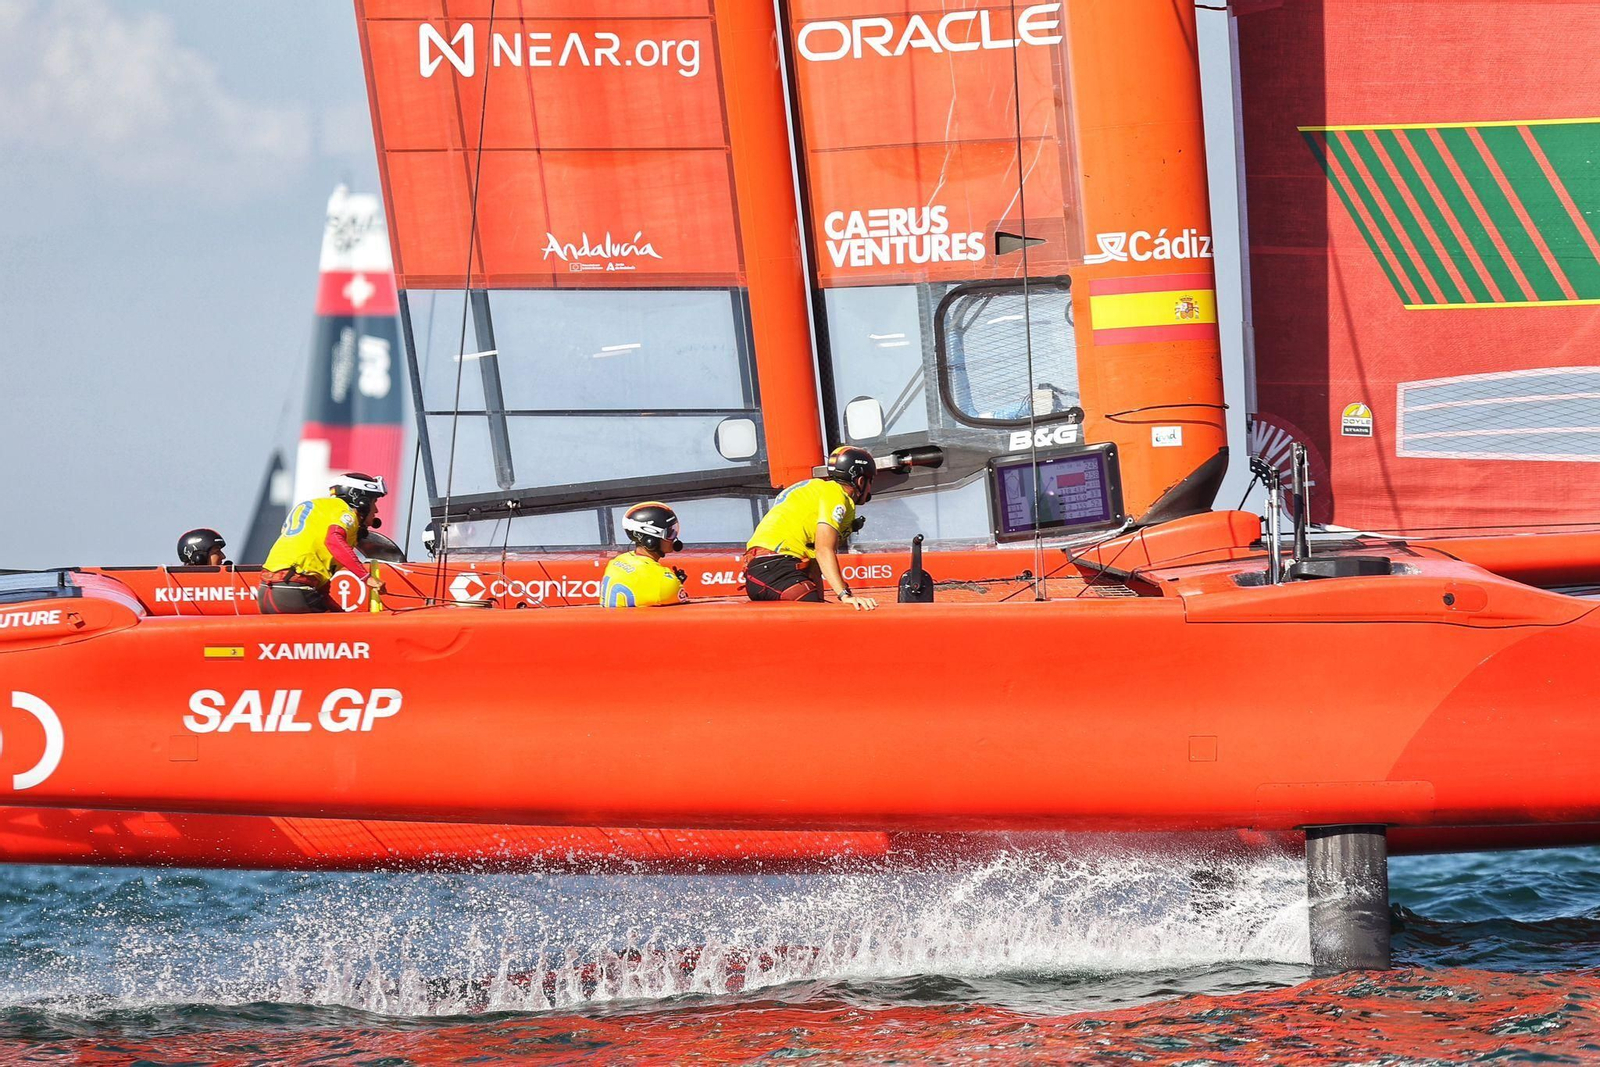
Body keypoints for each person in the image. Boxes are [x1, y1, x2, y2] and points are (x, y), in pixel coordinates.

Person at [743, 446, 877, 610]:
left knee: (818, 612)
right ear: (861, 481)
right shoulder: (836, 495)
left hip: (761, 574)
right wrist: (845, 595)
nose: (870, 489)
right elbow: (823, 550)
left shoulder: (813, 489)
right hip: (779, 572)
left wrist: (819, 600)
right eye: (871, 481)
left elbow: (814, 564)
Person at [258, 472, 387, 614]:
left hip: (268, 592)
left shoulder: (322, 509)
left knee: (339, 632)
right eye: (374, 502)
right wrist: (366, 578)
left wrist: (343, 615)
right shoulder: (344, 511)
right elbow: (334, 541)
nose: (376, 510)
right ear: (361, 501)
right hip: (293, 589)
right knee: (344, 635)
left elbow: (322, 594)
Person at [599, 502, 689, 608]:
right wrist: (674, 583)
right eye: (669, 533)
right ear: (650, 540)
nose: (674, 537)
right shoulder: (663, 583)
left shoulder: (617, 562)